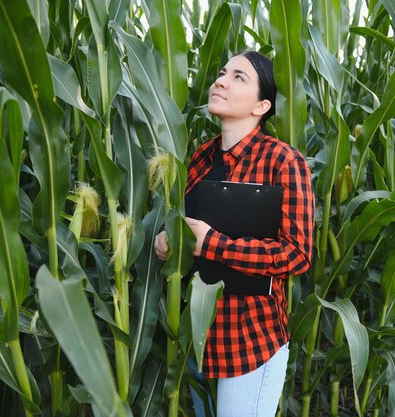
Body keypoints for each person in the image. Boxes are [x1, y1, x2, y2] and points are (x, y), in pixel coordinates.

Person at [154, 50, 314, 417]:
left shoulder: (284, 162)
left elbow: (297, 254)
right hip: (198, 335)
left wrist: (213, 243)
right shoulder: (199, 158)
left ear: (261, 106)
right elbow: (185, 225)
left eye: (238, 77)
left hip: (249, 343)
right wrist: (169, 241)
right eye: (222, 73)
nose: (220, 81)